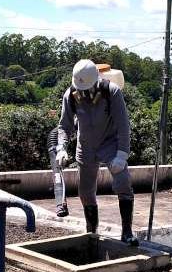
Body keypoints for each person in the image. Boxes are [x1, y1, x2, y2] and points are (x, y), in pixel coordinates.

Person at [55, 59, 137, 245]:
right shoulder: (70, 95)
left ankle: (127, 232)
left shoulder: (111, 92)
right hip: (85, 145)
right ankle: (91, 232)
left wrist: (122, 155)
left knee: (123, 182)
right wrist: (62, 148)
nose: (83, 92)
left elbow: (123, 125)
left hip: (110, 143)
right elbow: (64, 126)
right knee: (85, 191)